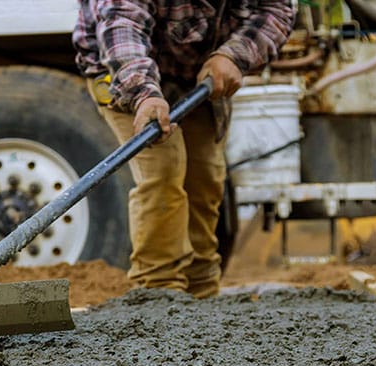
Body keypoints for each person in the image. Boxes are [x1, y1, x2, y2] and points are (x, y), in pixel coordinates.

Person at [73, 0, 295, 298]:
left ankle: (201, 294)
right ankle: (158, 293)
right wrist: (143, 95)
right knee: (163, 171)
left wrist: (235, 54)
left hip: (200, 73)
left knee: (204, 179)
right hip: (124, 71)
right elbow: (123, 26)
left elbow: (277, 10)